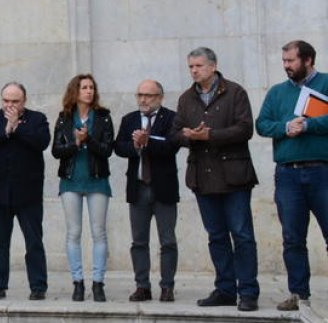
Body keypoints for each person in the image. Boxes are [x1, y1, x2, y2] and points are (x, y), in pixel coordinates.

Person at [171, 47, 259, 312]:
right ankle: (225, 289)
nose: (194, 70)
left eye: (198, 65)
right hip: (203, 177)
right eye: (191, 66)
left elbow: (245, 129)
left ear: (213, 66)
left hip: (234, 177)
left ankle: (248, 291)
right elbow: (175, 133)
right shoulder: (187, 98)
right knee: (216, 236)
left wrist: (210, 135)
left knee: (242, 235)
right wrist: (188, 135)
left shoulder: (235, 92)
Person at [256, 40, 328, 312]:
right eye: (284, 61)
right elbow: (262, 124)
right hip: (288, 175)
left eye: (291, 61)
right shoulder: (276, 93)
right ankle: (299, 293)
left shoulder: (326, 83)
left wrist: (309, 124)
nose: (286, 66)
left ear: (308, 60)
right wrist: (285, 127)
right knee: (292, 238)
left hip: (322, 171)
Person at [0, 81, 49, 300]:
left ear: (24, 100)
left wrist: (18, 127)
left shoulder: (37, 119)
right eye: (6, 100)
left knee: (34, 241)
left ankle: (38, 286)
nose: (10, 105)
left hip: (29, 193)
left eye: (15, 101)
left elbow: (42, 142)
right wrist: (5, 130)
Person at [113, 79, 179, 303]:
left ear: (160, 97)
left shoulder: (171, 118)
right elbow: (119, 147)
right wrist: (134, 145)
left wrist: (147, 141)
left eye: (148, 95)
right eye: (140, 94)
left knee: (167, 240)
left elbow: (172, 146)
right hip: (138, 187)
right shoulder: (129, 119)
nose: (143, 99)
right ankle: (142, 286)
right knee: (139, 241)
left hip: (164, 188)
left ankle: (167, 286)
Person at [51, 74, 115, 302]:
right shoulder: (64, 118)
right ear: (75, 91)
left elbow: (108, 150)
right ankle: (77, 282)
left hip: (97, 180)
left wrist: (88, 139)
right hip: (71, 180)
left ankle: (98, 283)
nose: (88, 91)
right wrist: (76, 143)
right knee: (74, 232)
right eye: (84, 87)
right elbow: (56, 151)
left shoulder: (104, 117)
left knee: (99, 232)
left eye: (91, 87)